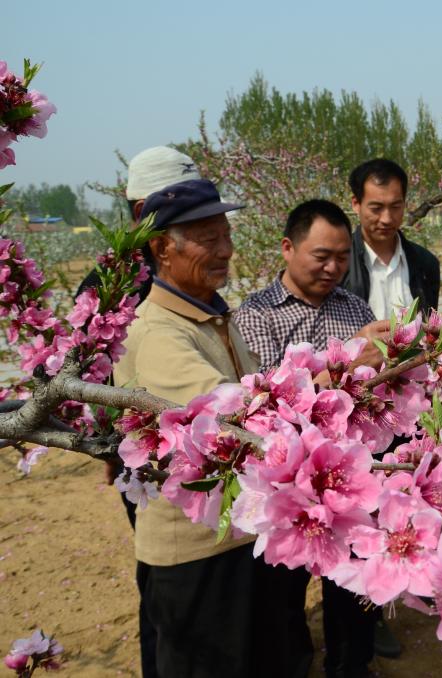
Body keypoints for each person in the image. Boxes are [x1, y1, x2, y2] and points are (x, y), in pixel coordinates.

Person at [113, 178, 294, 678]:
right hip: (195, 554)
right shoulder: (156, 332)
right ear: (161, 248)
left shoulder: (209, 313)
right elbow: (233, 418)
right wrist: (326, 385)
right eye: (209, 238)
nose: (226, 250)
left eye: (226, 235)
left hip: (234, 536)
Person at [234, 199, 391, 678]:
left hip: (344, 481)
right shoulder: (256, 315)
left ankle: (352, 666)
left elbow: (376, 388)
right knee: (281, 596)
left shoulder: (355, 308)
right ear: (288, 248)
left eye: (342, 257)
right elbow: (264, 404)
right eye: (321, 256)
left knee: (349, 590)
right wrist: (347, 363)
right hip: (284, 485)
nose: (333, 268)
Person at [77, 146, 201, 678]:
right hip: (148, 454)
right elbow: (90, 380)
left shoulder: (187, 269)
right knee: (162, 575)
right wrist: (111, 446)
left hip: (197, 445)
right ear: (138, 213)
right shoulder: (109, 285)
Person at [77, 146, 201, 303]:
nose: (200, 221)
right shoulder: (114, 285)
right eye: (185, 211)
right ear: (142, 212)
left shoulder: (178, 266)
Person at [342, 158, 441, 319]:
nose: (387, 219)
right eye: (376, 208)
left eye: (395, 207)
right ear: (356, 204)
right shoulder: (338, 264)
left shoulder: (426, 264)